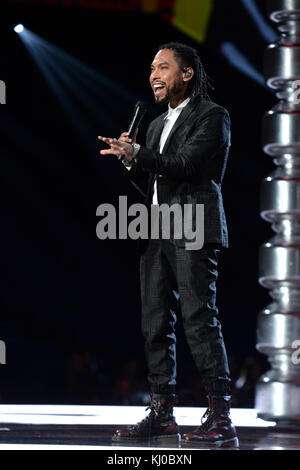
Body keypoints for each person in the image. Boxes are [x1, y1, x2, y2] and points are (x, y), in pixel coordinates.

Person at [98, 42, 238, 447]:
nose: (153, 75)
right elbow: (154, 182)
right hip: (157, 227)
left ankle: (220, 414)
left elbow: (187, 167)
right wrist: (130, 160)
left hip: (193, 224)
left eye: (162, 67)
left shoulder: (212, 116)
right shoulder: (157, 124)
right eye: (151, 69)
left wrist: (140, 154)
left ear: (186, 74)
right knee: (155, 322)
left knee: (199, 318)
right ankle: (162, 412)